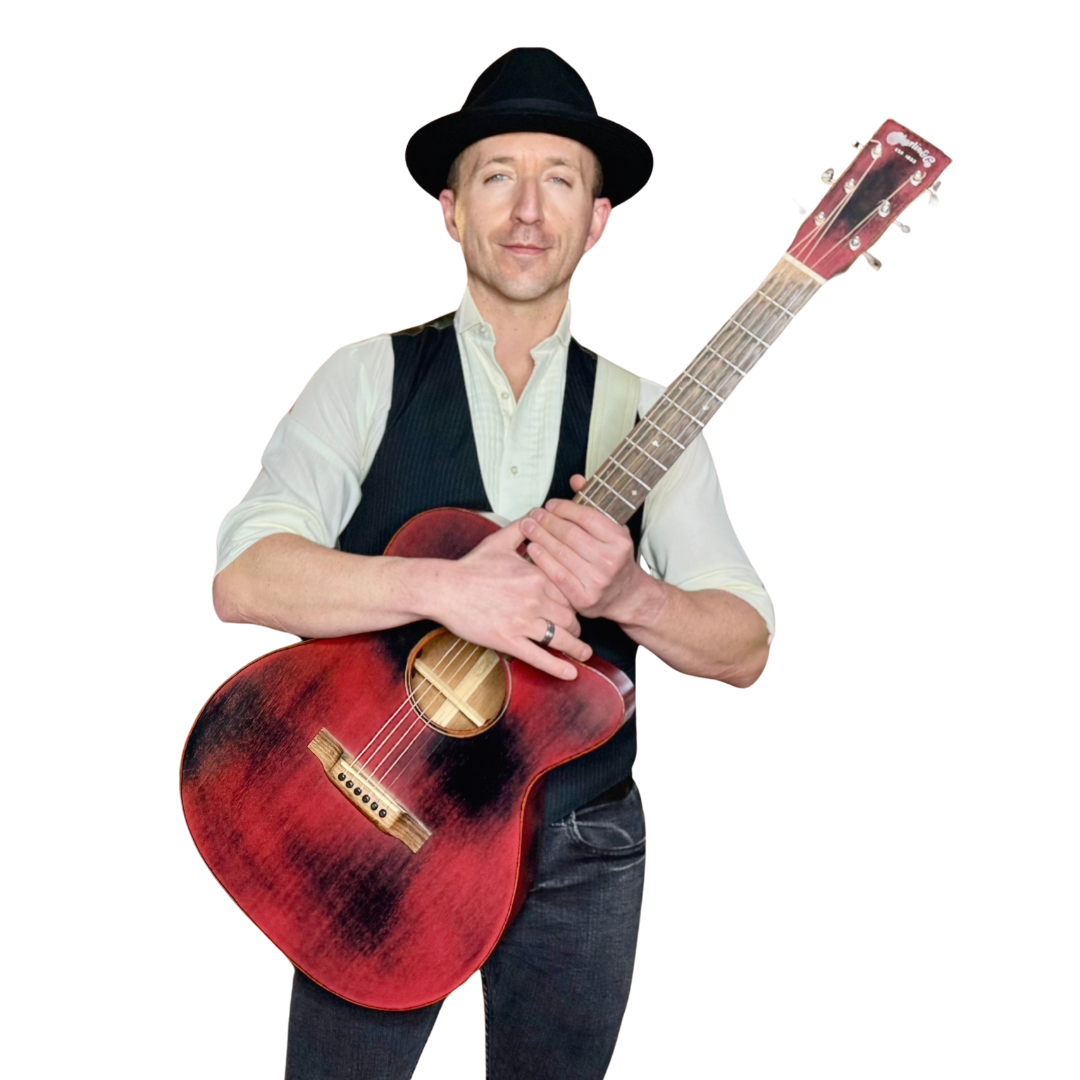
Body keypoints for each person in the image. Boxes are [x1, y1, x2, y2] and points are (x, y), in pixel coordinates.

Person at [213, 46, 774, 1080]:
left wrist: (633, 595)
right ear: (450, 207)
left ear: (598, 218)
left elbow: (744, 647)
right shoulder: (368, 376)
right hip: (376, 810)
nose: (527, 210)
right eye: (496, 177)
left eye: (558, 179)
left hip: (580, 849)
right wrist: (443, 586)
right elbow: (247, 576)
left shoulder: (649, 418)